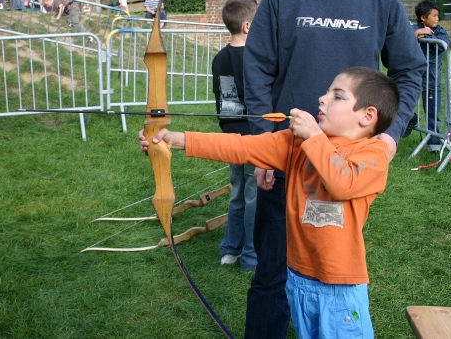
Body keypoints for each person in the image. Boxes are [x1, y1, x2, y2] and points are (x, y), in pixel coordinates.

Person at [241, 0, 426, 338]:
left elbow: (409, 71)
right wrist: (261, 143)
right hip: (286, 161)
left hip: (341, 173)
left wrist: (391, 136)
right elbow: (257, 71)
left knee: (331, 280)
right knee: (271, 277)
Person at [140, 67, 400, 339]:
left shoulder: (373, 153)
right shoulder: (296, 143)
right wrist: (175, 139)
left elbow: (342, 182)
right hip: (298, 277)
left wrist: (314, 138)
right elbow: (242, 148)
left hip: (339, 285)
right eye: (325, 92)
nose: (322, 99)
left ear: (368, 116)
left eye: (337, 96)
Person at [212, 0, 258, 271]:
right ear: (248, 26)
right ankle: (251, 256)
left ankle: (230, 249)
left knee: (238, 191)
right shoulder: (256, 58)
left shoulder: (220, 58)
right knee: (252, 196)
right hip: (254, 137)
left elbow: (224, 100)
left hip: (232, 136)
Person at [412, 0, 450, 153]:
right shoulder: (413, 29)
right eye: (434, 16)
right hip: (412, 76)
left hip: (432, 80)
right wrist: (415, 34)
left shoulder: (440, 31)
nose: (437, 19)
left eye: (438, 16)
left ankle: (433, 144)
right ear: (423, 18)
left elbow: (442, 44)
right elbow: (402, 39)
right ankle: (408, 123)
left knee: (433, 112)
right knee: (404, 106)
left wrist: (427, 38)